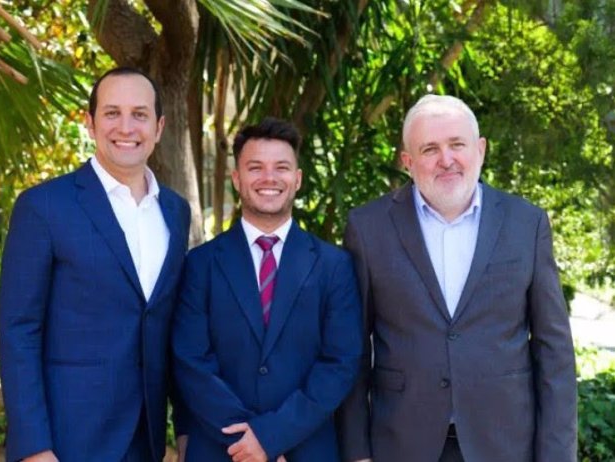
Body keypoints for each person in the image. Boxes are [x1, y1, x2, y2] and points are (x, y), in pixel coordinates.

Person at [336, 94, 577, 462]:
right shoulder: (368, 229)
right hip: (401, 444)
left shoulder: (526, 224)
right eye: (430, 148)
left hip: (505, 444)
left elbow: (553, 350)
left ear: (480, 149)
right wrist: (357, 452)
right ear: (407, 161)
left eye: (457, 145)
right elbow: (352, 350)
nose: (446, 159)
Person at [0, 67, 191, 462]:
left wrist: (186, 427)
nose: (126, 126)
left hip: (147, 436)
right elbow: (19, 331)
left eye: (140, 114)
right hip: (68, 440)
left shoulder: (175, 211)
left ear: (159, 127)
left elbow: (166, 324)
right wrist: (34, 447)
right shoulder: (44, 206)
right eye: (111, 113)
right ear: (89, 123)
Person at [172, 117, 362, 461]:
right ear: (236, 178)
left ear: (297, 179)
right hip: (221, 448)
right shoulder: (200, 264)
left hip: (304, 449)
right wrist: (249, 442)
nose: (269, 178)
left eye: (281, 168)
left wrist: (273, 436)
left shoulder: (334, 266)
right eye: (255, 167)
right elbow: (190, 361)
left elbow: (339, 363)